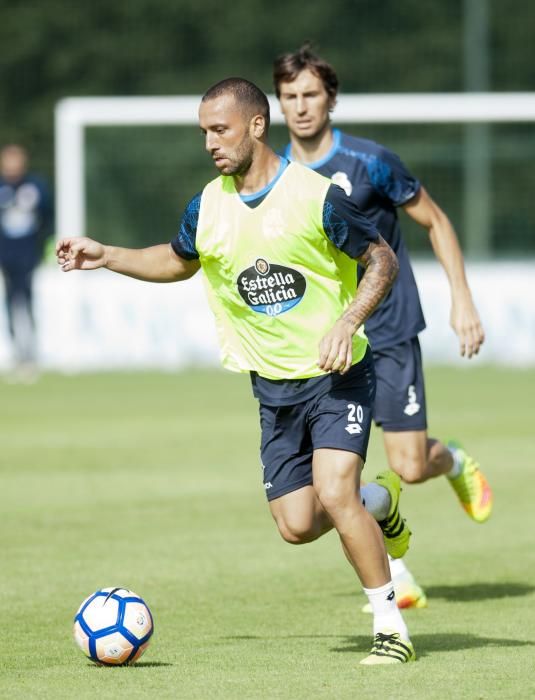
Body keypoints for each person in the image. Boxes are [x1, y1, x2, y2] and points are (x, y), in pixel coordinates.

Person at [57, 78, 416, 665]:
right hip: (273, 389)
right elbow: (179, 260)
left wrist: (347, 323)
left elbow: (381, 258)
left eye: (219, 129)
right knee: (297, 525)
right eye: (203, 131)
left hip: (337, 375)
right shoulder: (209, 204)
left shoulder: (315, 196)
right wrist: (108, 256)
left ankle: (390, 627)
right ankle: (381, 502)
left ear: (256, 125)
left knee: (332, 489)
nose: (209, 143)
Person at [272, 43, 493, 610]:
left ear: (331, 98)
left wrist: (462, 299)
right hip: (326, 343)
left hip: (388, 328)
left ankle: (455, 460)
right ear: (277, 103)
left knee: (409, 465)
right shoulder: (275, 177)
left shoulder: (372, 162)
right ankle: (395, 574)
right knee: (336, 481)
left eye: (311, 95)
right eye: (290, 97)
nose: (300, 107)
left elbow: (437, 221)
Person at [0, 144, 53, 380]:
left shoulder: (36, 186)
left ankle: (31, 355)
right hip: (5, 256)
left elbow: (48, 218)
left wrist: (44, 248)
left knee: (28, 302)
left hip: (28, 256)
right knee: (10, 302)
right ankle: (15, 353)